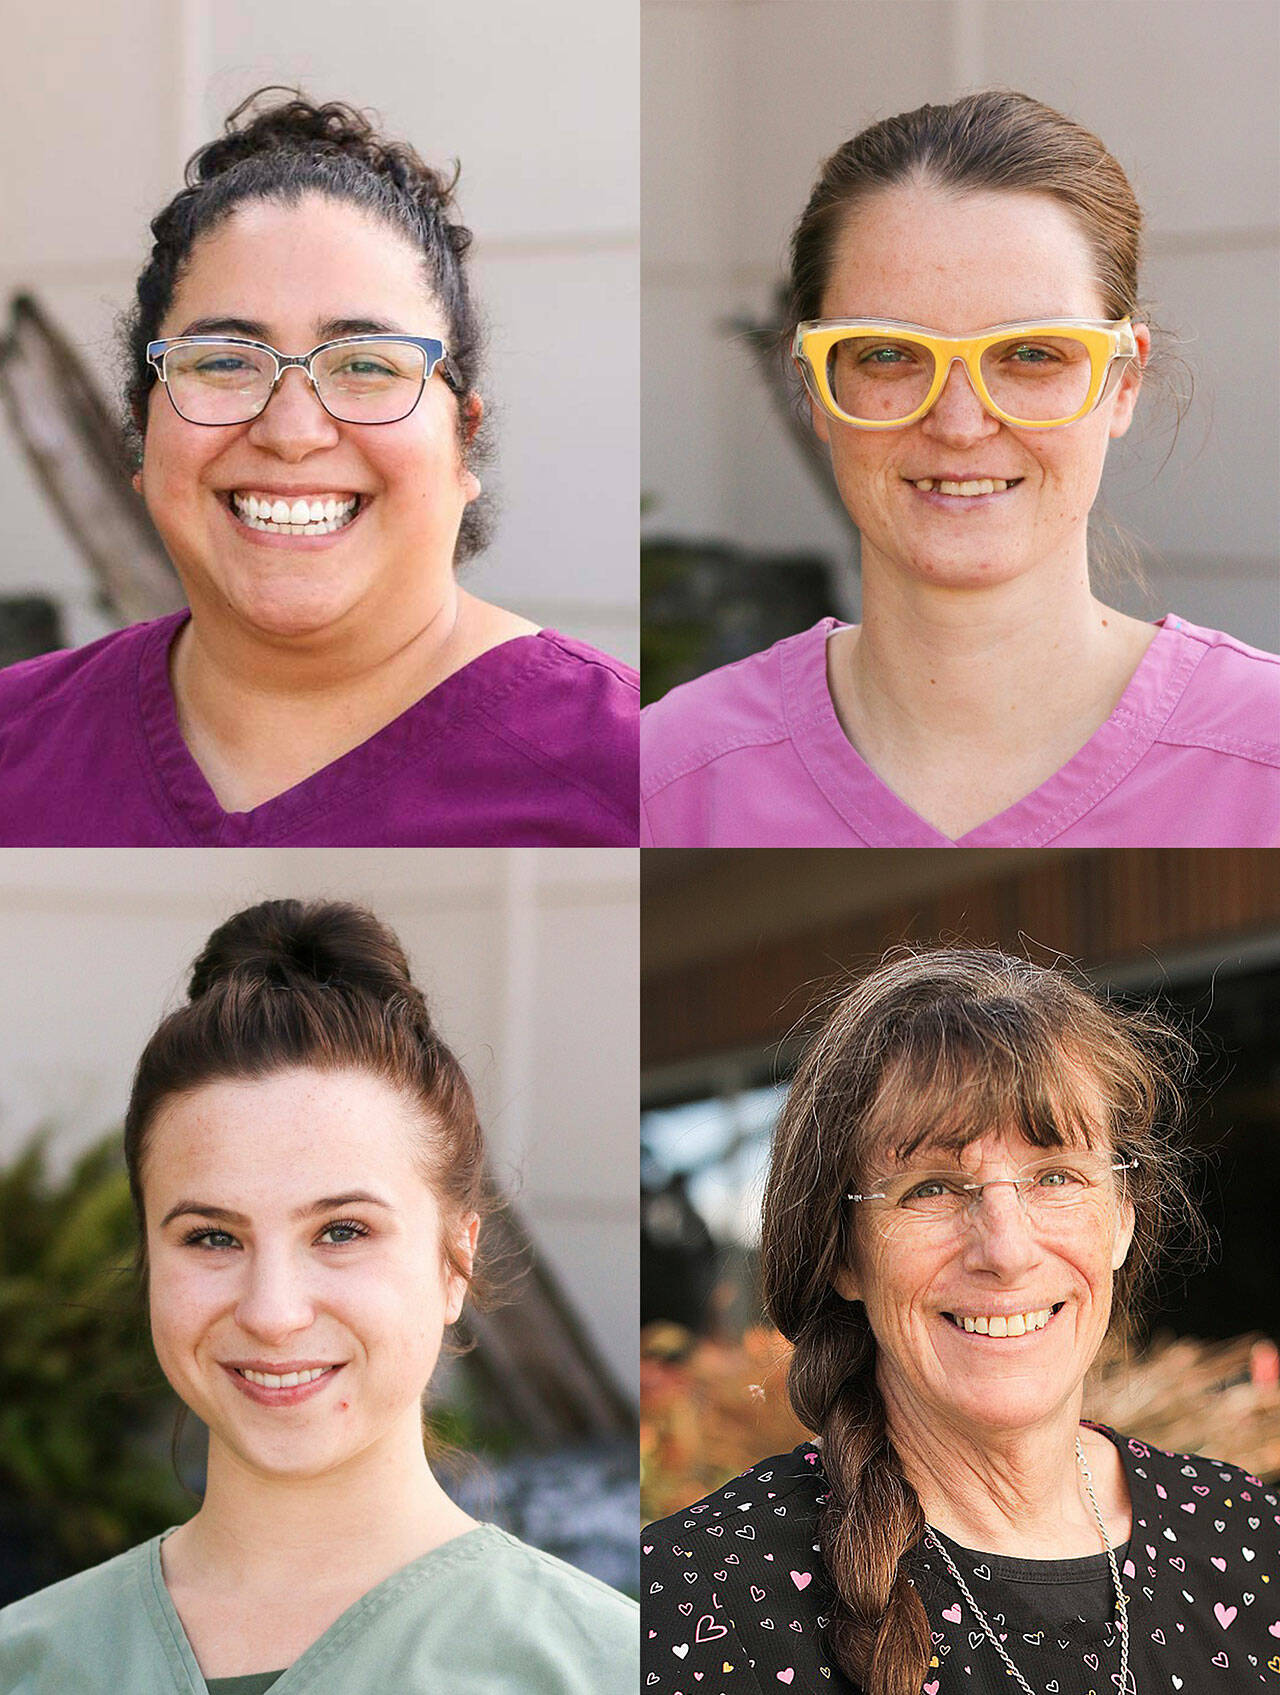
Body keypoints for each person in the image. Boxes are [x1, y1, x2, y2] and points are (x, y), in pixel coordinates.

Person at [0, 899, 638, 1693]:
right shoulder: (26, 1661)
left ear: (455, 1261)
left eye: (341, 1230)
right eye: (212, 1236)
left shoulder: (606, 1666)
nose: (272, 1313)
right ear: (149, 1260)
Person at [641, 91, 1280, 846]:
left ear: (1124, 383)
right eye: (889, 353)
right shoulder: (665, 776)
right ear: (816, 385)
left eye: (1031, 354)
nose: (959, 424)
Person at [0, 91, 637, 845]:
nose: (292, 433)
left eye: (366, 364)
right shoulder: (18, 737)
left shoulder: (631, 771)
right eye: (225, 361)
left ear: (463, 439)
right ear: (143, 432)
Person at [642, 947, 1280, 1693]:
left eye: (1055, 1176)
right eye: (932, 1188)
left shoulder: (1253, 1538)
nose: (1005, 1251)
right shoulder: (697, 1598)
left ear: (1121, 1220)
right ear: (844, 1254)